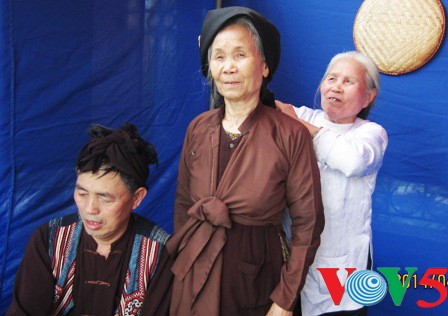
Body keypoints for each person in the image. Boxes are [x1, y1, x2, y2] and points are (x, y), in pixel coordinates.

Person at [166, 6, 324, 316]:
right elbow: (184, 204)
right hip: (196, 267)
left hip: (255, 273)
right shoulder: (199, 127)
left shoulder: (290, 134)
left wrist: (284, 298)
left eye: (240, 55)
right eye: (219, 57)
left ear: (264, 67)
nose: (228, 67)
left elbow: (308, 223)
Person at [7, 123, 173, 316]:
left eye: (104, 198)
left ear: (136, 198)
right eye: (82, 193)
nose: (89, 209)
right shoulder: (49, 240)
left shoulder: (159, 253)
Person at [276, 51, 388, 315]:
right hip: (290, 261)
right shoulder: (305, 116)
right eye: (331, 78)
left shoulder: (371, 134)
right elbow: (261, 106)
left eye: (348, 81)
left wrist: (296, 124)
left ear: (369, 96)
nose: (336, 87)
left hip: (341, 266)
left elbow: (352, 161)